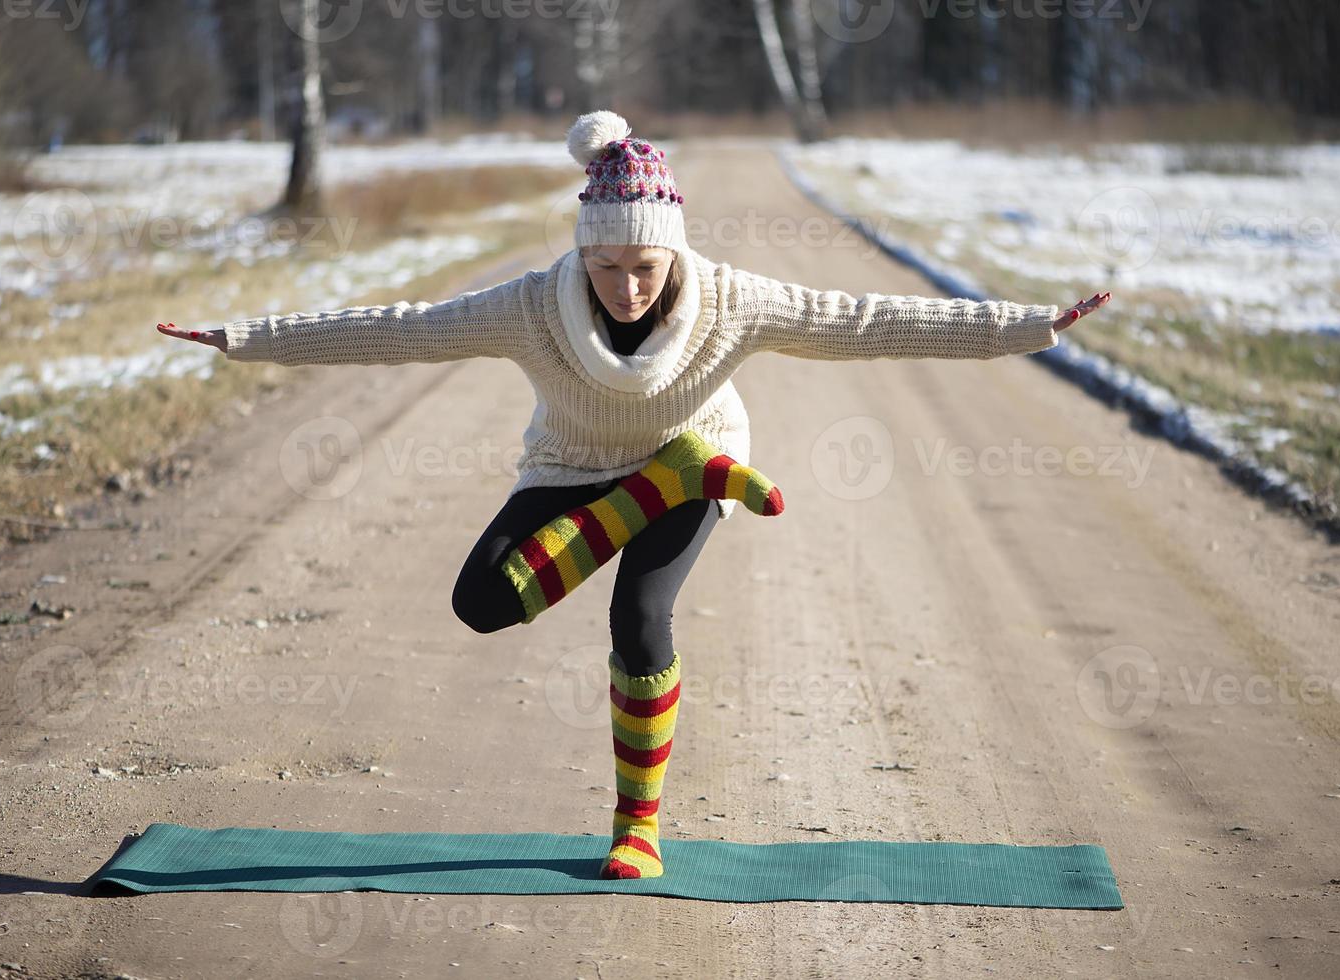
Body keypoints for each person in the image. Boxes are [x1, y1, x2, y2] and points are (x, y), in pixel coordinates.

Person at [157, 109, 1110, 880]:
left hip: (700, 454)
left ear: (672, 258)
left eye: (643, 270)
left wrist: (1025, 325)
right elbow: (398, 327)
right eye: (605, 268)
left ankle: (636, 827)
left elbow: (863, 319)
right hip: (573, 466)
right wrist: (245, 337)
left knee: (640, 614)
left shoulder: (733, 300)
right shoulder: (531, 305)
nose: (623, 287)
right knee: (481, 602)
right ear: (582, 256)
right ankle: (648, 493)